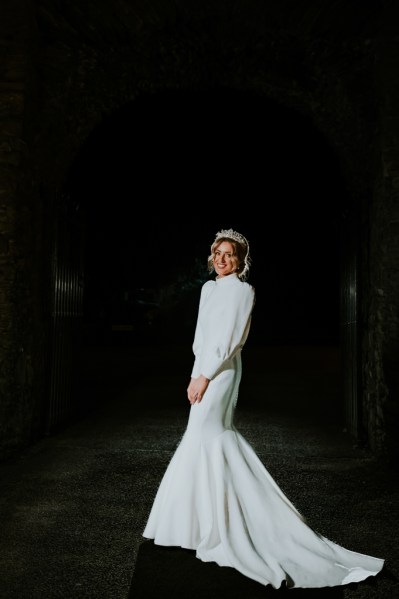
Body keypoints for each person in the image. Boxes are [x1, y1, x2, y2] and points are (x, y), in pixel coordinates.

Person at [142, 228, 384, 589]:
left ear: (241, 260)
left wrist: (206, 376)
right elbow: (201, 336)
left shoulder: (243, 291)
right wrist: (196, 369)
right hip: (203, 367)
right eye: (218, 253)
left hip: (221, 373)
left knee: (210, 436)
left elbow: (228, 339)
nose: (222, 259)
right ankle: (193, 525)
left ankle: (243, 523)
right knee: (200, 440)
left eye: (230, 254)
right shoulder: (209, 289)